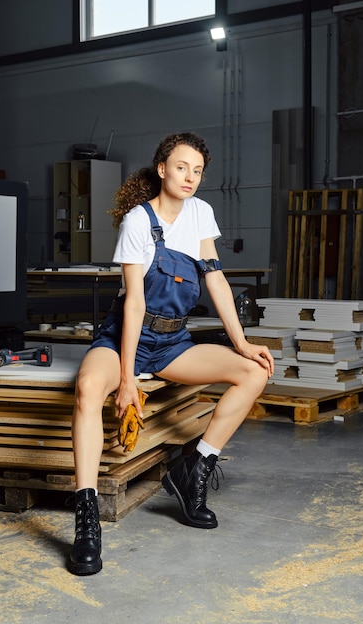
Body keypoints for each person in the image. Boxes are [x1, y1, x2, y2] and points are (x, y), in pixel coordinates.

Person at [67, 132, 274, 576]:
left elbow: (215, 278)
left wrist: (240, 342)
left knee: (254, 372)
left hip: (173, 342)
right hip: (126, 336)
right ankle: (86, 519)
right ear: (162, 168)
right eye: (182, 167)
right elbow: (135, 304)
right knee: (87, 388)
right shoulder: (138, 222)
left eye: (198, 171)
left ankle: (192, 469)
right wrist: (126, 380)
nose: (190, 178)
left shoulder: (201, 214)